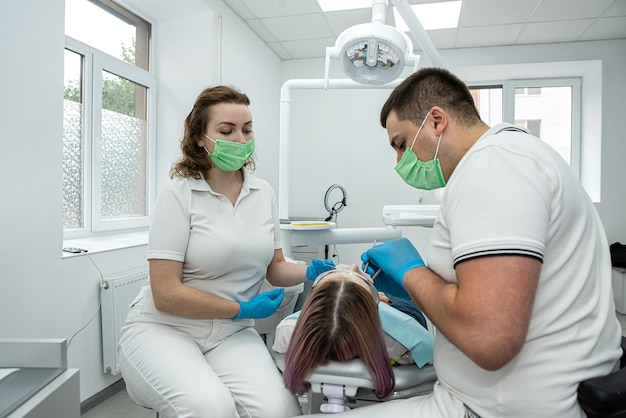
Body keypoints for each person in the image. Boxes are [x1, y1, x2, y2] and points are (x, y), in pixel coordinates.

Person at [311, 67, 622, 417]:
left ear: (436, 121)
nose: (399, 161)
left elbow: (489, 340)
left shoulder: (493, 168)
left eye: (401, 144)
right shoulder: (514, 156)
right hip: (504, 394)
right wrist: (411, 284)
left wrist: (412, 272)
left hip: (501, 407)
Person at [117, 85, 335, 418]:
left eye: (247, 129)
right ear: (201, 138)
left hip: (230, 333)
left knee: (281, 411)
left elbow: (274, 267)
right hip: (166, 327)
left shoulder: (262, 192)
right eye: (226, 130)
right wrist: (239, 307)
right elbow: (165, 293)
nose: (240, 139)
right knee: (210, 406)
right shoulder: (179, 194)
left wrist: (308, 271)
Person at [280, 265, 434, 400]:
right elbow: (433, 357)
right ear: (375, 308)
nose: (353, 266)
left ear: (311, 305)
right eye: (362, 281)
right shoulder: (406, 341)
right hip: (396, 310)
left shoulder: (287, 330)